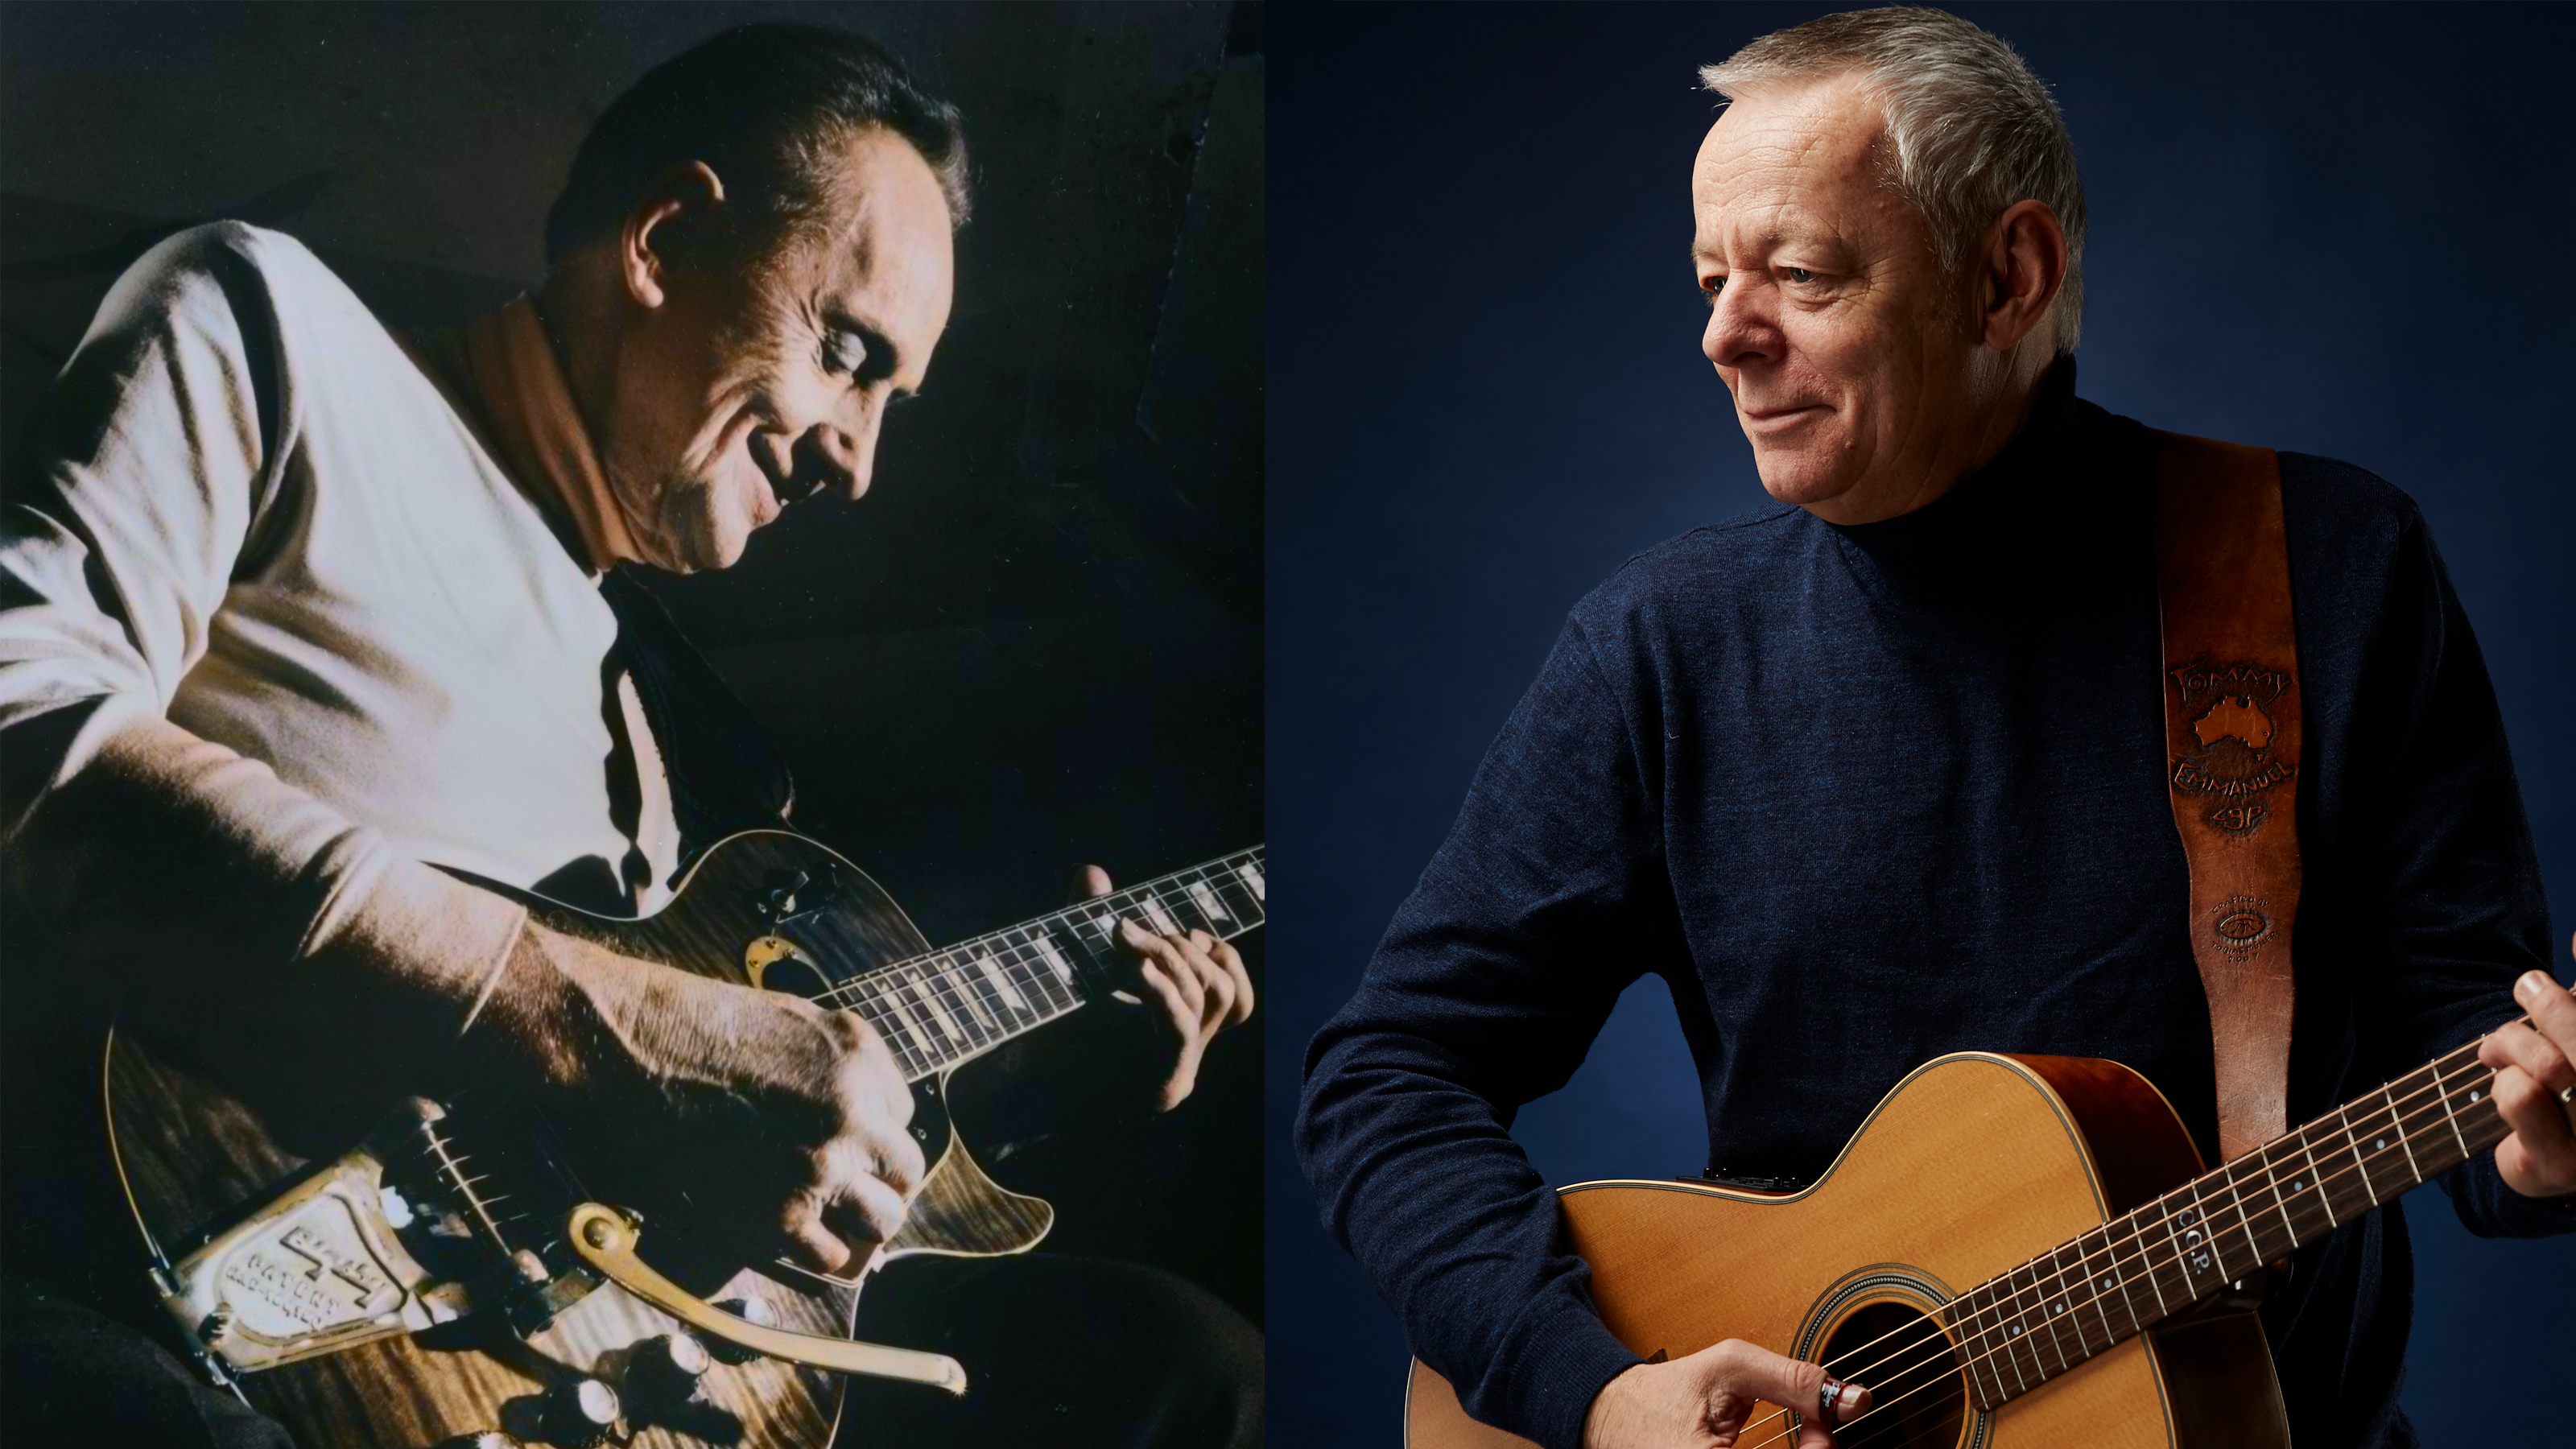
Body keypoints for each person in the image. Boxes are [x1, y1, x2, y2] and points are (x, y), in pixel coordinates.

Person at [1294, 9, 2576, 1449]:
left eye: (1800, 272)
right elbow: (1384, 1075)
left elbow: (2484, 1041)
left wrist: (2541, 1150)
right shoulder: (1660, 647)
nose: (1725, 333)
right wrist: (1586, 1388)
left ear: (2006, 278)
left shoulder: (2324, 566)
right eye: (1713, 278)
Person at [0, 23, 1257, 1448]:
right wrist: (598, 1021)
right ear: (663, 241)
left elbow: (669, 1146)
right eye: (850, 358)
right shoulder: (272, 320)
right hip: (136, 1271)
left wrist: (1023, 1096)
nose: (860, 459)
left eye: (891, 405)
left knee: (1180, 1365)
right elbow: (23, 709)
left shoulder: (655, 746)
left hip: (502, 1378)